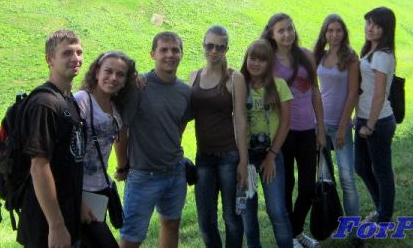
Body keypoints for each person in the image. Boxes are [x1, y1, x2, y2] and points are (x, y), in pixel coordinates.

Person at [114, 31, 191, 248]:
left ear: (181, 54)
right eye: (163, 50)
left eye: (175, 50)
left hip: (175, 172)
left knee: (171, 224)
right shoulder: (139, 86)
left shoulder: (185, 91)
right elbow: (121, 131)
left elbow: (179, 126)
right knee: (131, 237)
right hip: (142, 176)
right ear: (152, 54)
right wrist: (122, 167)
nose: (170, 55)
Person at [17, 29, 88, 248]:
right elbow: (39, 166)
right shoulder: (45, 104)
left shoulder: (68, 99)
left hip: (69, 214)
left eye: (79, 52)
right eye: (67, 53)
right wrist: (56, 226)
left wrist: (80, 202)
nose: (75, 58)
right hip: (46, 225)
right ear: (49, 59)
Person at [261, 13, 326, 248]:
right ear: (272, 34)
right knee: (286, 186)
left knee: (308, 188)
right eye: (281, 30)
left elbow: (315, 91)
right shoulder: (268, 60)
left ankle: (295, 230)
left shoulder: (306, 55)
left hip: (307, 130)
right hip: (282, 133)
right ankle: (292, 236)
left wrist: (320, 129)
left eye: (290, 28)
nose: (287, 34)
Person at [189, 25, 248, 248]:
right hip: (203, 157)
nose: (214, 51)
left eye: (220, 47)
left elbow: (240, 119)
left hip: (229, 157)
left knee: (232, 217)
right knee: (205, 221)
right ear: (204, 46)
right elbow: (185, 114)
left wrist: (243, 161)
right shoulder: (193, 77)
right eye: (210, 46)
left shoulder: (235, 78)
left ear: (226, 50)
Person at [74, 51, 137, 248]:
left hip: (100, 188)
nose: (113, 78)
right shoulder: (82, 101)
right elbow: (65, 153)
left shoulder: (115, 105)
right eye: (108, 71)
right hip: (80, 190)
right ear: (96, 72)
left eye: (120, 74)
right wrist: (78, 198)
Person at [240, 39, 294, 248]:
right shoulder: (238, 84)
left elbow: (286, 122)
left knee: (277, 210)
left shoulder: (279, 85)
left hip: (271, 155)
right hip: (245, 158)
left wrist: (271, 156)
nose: (256, 63)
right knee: (247, 212)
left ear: (269, 63)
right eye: (252, 58)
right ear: (246, 59)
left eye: (262, 60)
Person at [313, 15, 361, 220]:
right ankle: (329, 221)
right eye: (330, 30)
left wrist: (342, 127)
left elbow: (353, 93)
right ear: (324, 33)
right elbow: (315, 90)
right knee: (324, 177)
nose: (334, 35)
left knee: (347, 178)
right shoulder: (319, 56)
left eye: (338, 30)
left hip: (341, 126)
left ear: (344, 33)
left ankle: (353, 227)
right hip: (319, 124)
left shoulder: (351, 57)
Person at [355, 7, 397, 224]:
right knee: (361, 167)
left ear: (386, 30)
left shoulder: (382, 56)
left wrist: (369, 125)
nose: (370, 28)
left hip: (378, 121)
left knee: (382, 172)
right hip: (365, 118)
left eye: (377, 25)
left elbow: (379, 95)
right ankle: (382, 208)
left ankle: (384, 215)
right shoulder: (371, 51)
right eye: (369, 23)